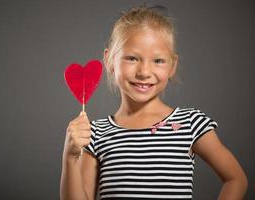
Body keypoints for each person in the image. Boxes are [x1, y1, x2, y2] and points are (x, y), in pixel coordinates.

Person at [60, 4, 248, 200]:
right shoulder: (95, 135)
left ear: (172, 65)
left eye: (158, 61)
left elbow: (236, 179)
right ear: (109, 60)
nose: (144, 72)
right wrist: (70, 158)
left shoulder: (190, 123)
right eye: (132, 58)